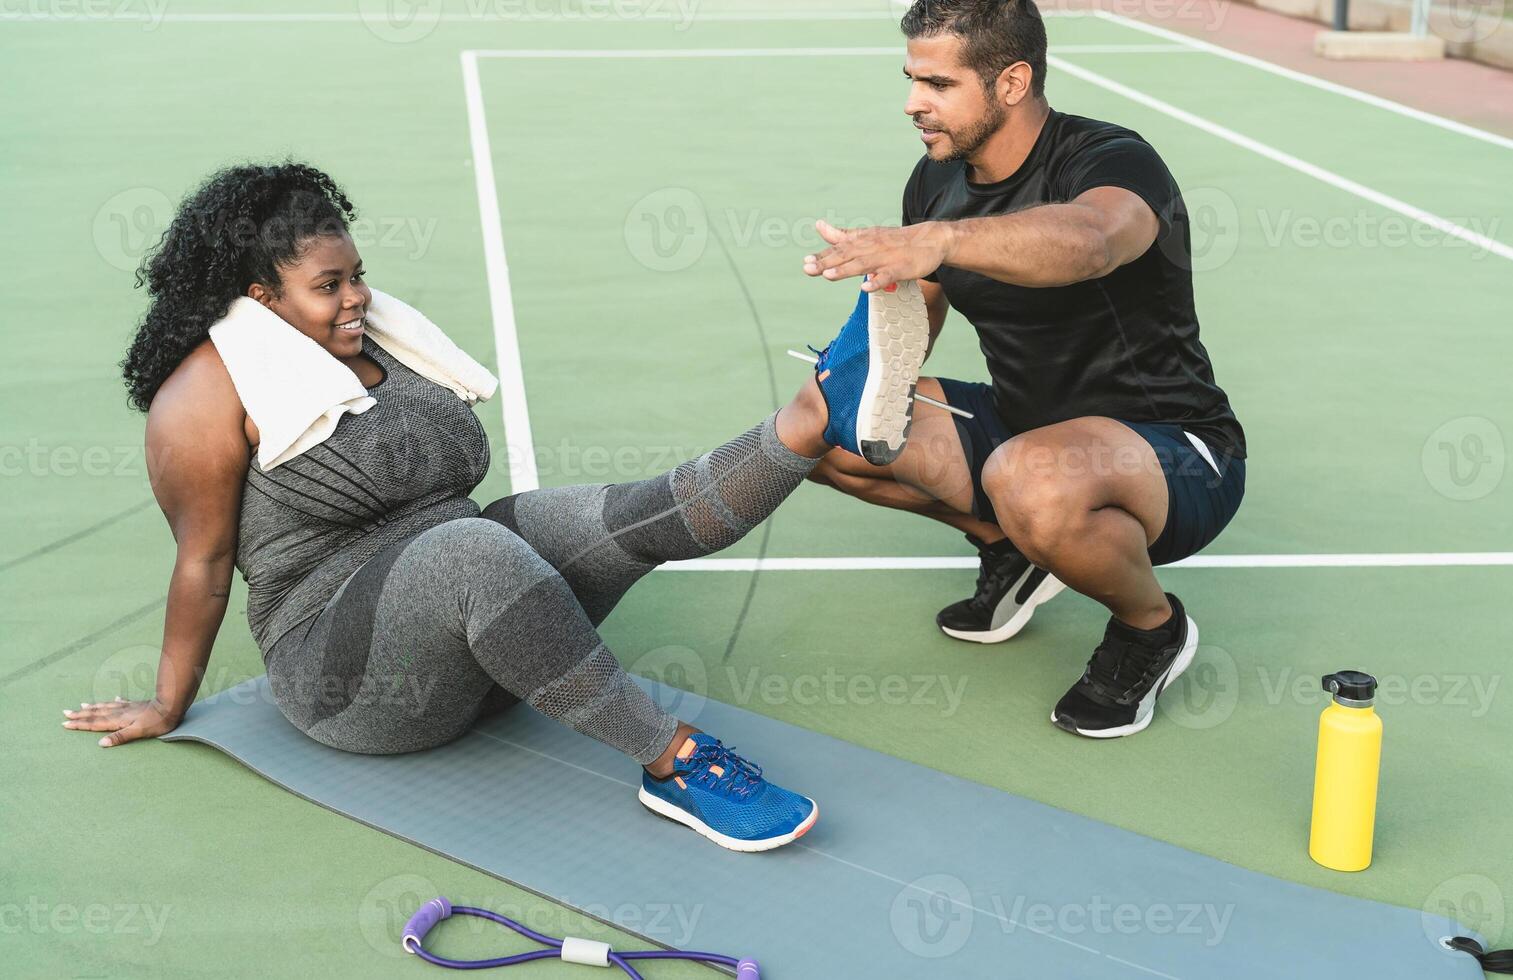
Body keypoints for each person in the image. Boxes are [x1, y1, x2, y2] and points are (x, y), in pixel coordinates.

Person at [66, 161, 929, 852]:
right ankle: (672, 762)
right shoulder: (201, 402)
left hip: (471, 641)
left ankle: (814, 416)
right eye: (328, 286)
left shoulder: (376, 338)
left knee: (570, 518)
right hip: (349, 680)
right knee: (474, 548)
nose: (357, 297)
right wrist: (167, 702)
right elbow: (204, 563)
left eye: (358, 275)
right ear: (262, 299)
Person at [801, 0, 1248, 738]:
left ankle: (1150, 629)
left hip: (1173, 453)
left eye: (937, 85)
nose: (912, 103)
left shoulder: (1109, 161)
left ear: (1010, 83)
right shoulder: (934, 181)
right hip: (1025, 431)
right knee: (828, 425)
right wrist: (853, 376)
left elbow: (1092, 240)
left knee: (1028, 476)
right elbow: (916, 321)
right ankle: (1011, 551)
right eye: (912, 79)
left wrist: (938, 240)